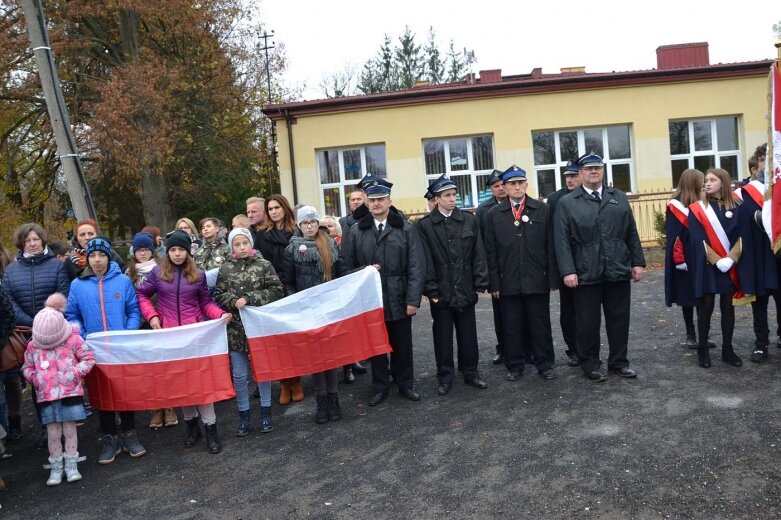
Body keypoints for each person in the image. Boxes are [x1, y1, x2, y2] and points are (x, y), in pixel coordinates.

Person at [136, 230, 231, 454]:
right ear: (167, 252)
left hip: (195, 336)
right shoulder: (157, 273)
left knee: (201, 384)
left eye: (181, 250)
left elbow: (206, 303)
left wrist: (219, 315)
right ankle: (192, 427)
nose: (177, 254)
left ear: (188, 252)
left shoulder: (197, 274)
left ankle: (211, 429)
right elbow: (141, 295)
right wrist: (152, 316)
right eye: (173, 250)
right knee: (181, 384)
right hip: (170, 337)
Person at [554, 153, 645, 382]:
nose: (593, 172)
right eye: (588, 169)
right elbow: (561, 240)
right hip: (586, 272)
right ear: (581, 173)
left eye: (597, 168)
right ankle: (590, 364)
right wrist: (568, 270)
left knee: (619, 319)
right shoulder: (568, 202)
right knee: (587, 322)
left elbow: (630, 231)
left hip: (617, 268)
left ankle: (619, 362)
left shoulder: (619, 197)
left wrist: (637, 262)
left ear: (603, 171)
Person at [65, 236, 146, 463]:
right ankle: (110, 437)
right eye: (92, 255)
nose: (98, 260)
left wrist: (126, 334)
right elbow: (72, 316)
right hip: (94, 351)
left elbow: (133, 311)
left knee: (124, 391)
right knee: (100, 393)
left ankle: (129, 433)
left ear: (109, 256)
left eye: (102, 255)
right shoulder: (77, 285)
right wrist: (84, 340)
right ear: (87, 258)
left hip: (120, 349)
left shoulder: (122, 281)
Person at [346, 178, 426, 406]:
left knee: (402, 345)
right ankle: (380, 386)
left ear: (389, 201)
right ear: (367, 203)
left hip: (399, 296)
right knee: (376, 346)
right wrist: (365, 270)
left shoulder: (405, 229)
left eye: (381, 199)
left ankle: (405, 384)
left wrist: (413, 300)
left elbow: (416, 266)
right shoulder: (356, 231)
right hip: (370, 300)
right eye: (372, 200)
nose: (376, 203)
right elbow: (347, 267)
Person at [417, 175, 489, 395]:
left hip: (465, 287)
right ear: (436, 199)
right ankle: (445, 376)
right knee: (443, 336)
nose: (452, 199)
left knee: (468, 334)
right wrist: (431, 290)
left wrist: (480, 281)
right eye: (447, 195)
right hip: (441, 290)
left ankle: (471, 372)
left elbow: (479, 252)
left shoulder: (468, 220)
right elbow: (424, 260)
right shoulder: (425, 226)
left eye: (453, 195)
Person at [484, 166, 558, 381]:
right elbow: (490, 250)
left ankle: (545, 364)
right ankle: (515, 365)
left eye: (520, 183)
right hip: (508, 280)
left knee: (540, 323)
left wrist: (552, 277)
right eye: (512, 184)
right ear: (504, 188)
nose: (517, 187)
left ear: (526, 184)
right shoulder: (494, 214)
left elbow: (550, 246)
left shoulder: (542, 210)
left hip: (537, 278)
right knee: (512, 326)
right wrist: (494, 283)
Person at [2, 223, 70, 443]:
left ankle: (66, 425)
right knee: (38, 382)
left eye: (35, 239)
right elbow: (9, 301)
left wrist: (47, 321)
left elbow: (62, 293)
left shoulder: (56, 266)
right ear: (22, 243)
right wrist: (34, 323)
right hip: (27, 335)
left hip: (56, 332)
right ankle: (46, 427)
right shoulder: (11, 271)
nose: (32, 244)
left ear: (42, 241)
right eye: (28, 240)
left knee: (60, 378)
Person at [283, 206, 350, 422]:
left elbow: (342, 273)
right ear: (299, 226)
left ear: (317, 223)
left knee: (330, 356)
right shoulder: (292, 249)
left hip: (329, 308)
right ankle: (321, 401)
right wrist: (297, 303)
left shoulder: (329, 244)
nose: (309, 226)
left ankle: (334, 398)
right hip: (307, 310)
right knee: (316, 358)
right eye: (305, 223)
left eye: (312, 222)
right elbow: (289, 281)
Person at [215, 228, 283, 435]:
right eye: (237, 244)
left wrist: (250, 298)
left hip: (259, 329)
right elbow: (218, 294)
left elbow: (276, 290)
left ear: (251, 243)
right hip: (236, 331)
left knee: (262, 371)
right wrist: (232, 301)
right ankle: (243, 415)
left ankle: (265, 413)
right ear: (232, 247)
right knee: (239, 375)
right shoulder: (225, 269)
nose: (242, 247)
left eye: (245, 243)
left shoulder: (264, 265)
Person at [23, 294, 95, 485]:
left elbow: (88, 359)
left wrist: (74, 372)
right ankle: (56, 467)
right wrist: (35, 378)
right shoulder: (33, 345)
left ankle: (71, 464)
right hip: (46, 395)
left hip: (69, 393)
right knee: (52, 432)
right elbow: (27, 367)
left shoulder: (73, 339)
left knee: (70, 429)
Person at [688, 168, 753, 368]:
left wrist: (731, 258)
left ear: (723, 183)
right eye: (706, 180)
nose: (707, 183)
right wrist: (717, 260)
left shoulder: (738, 207)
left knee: (728, 307)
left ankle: (728, 349)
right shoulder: (697, 209)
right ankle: (703, 349)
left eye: (712, 180)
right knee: (705, 308)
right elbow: (698, 240)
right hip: (709, 265)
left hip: (730, 266)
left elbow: (743, 236)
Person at [125, 232, 177, 429]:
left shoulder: (163, 268)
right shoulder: (128, 272)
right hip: (140, 324)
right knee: (149, 369)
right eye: (139, 250)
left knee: (165, 366)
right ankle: (156, 406)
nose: (143, 253)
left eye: (146, 249)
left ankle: (170, 405)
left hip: (162, 322)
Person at [255, 194, 304, 405]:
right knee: (278, 340)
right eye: (270, 209)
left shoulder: (297, 232)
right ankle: (284, 382)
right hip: (273, 291)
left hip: (295, 288)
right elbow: (260, 265)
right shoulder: (262, 236)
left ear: (285, 208)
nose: (274, 211)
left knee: (294, 338)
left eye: (277, 207)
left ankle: (297, 381)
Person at [735, 146, 779, 362]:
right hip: (758, 256)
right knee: (759, 301)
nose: (767, 163)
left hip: (778, 255)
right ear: (755, 167)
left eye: (771, 159)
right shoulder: (743, 193)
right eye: (763, 160)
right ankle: (761, 343)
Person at [664, 169, 711, 350]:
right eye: (702, 181)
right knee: (687, 297)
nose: (704, 185)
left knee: (702, 295)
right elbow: (675, 237)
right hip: (684, 258)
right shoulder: (675, 206)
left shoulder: (701, 203)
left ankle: (703, 333)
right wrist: (679, 259)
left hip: (701, 256)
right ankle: (690, 333)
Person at [545, 161, 582, 367]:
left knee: (587, 309)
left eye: (574, 175)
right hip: (564, 263)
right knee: (568, 310)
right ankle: (573, 349)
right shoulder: (555, 199)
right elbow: (551, 237)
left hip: (587, 262)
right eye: (567, 176)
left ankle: (586, 347)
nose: (569, 179)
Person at [475, 169, 507, 365]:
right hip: (496, 268)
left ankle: (525, 349)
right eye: (496, 186)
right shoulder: (484, 210)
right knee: (500, 314)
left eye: (503, 184)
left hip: (515, 265)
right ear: (492, 190)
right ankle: (502, 349)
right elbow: (480, 243)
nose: (501, 188)